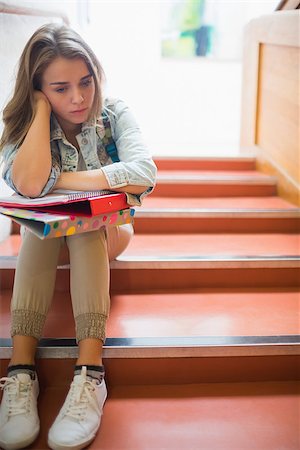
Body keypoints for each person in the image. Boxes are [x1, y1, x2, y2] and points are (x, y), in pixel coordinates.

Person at [0, 23, 156, 450]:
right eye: (60, 88)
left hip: (111, 234)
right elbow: (29, 185)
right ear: (37, 89)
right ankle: (20, 373)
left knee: (84, 224)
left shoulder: (115, 112)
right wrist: (38, 112)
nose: (78, 98)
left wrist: (61, 180)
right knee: (43, 229)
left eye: (85, 82)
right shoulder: (25, 121)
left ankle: (90, 374)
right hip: (47, 241)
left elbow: (144, 173)